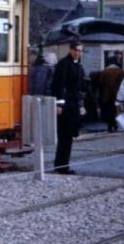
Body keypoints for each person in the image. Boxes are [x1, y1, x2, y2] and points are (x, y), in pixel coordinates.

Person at [52, 41, 86, 174]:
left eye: (80, 50)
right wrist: (59, 104)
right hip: (66, 104)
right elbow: (58, 85)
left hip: (73, 103)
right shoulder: (64, 64)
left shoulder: (77, 65)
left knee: (69, 135)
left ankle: (63, 164)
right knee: (64, 135)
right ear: (71, 50)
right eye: (76, 50)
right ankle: (61, 165)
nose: (78, 53)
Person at [98, 57, 124, 132]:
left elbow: (101, 83)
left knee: (109, 111)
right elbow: (123, 84)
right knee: (116, 110)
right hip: (117, 95)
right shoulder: (121, 71)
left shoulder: (104, 71)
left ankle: (110, 126)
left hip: (106, 95)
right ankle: (116, 125)